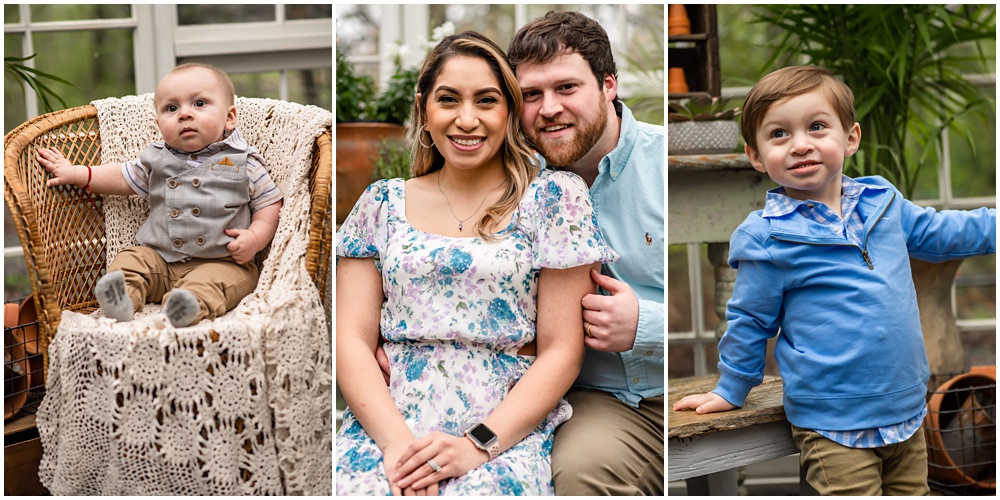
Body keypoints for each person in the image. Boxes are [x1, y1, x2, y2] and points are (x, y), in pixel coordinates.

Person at [673, 65, 997, 495]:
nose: (800, 144)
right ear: (755, 155)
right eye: (779, 134)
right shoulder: (766, 237)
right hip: (833, 424)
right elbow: (749, 320)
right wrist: (732, 388)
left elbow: (944, 232)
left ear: (850, 138)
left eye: (817, 127)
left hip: (906, 412)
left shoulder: (883, 204)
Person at [335, 31, 617, 496]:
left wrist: (477, 444)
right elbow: (350, 341)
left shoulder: (554, 199)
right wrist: (400, 451)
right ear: (424, 108)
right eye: (449, 100)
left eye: (486, 101)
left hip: (500, 426)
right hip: (390, 422)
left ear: (508, 112)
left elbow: (562, 350)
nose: (467, 120)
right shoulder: (380, 203)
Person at [507, 11, 666, 495]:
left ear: (609, 85)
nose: (548, 108)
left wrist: (647, 325)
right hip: (583, 398)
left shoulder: (665, 165)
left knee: (574, 471)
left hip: (679, 385)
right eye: (531, 95)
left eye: (566, 88)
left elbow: (752, 308)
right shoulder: (512, 185)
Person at [37, 63, 282, 328]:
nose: (184, 114)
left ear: (229, 117)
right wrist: (76, 173)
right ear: (159, 123)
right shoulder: (157, 159)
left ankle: (187, 305)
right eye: (171, 108)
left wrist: (255, 239)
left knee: (211, 286)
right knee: (131, 260)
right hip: (161, 262)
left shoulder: (244, 162)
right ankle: (123, 299)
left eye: (199, 103)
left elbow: (269, 204)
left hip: (224, 263)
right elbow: (120, 177)